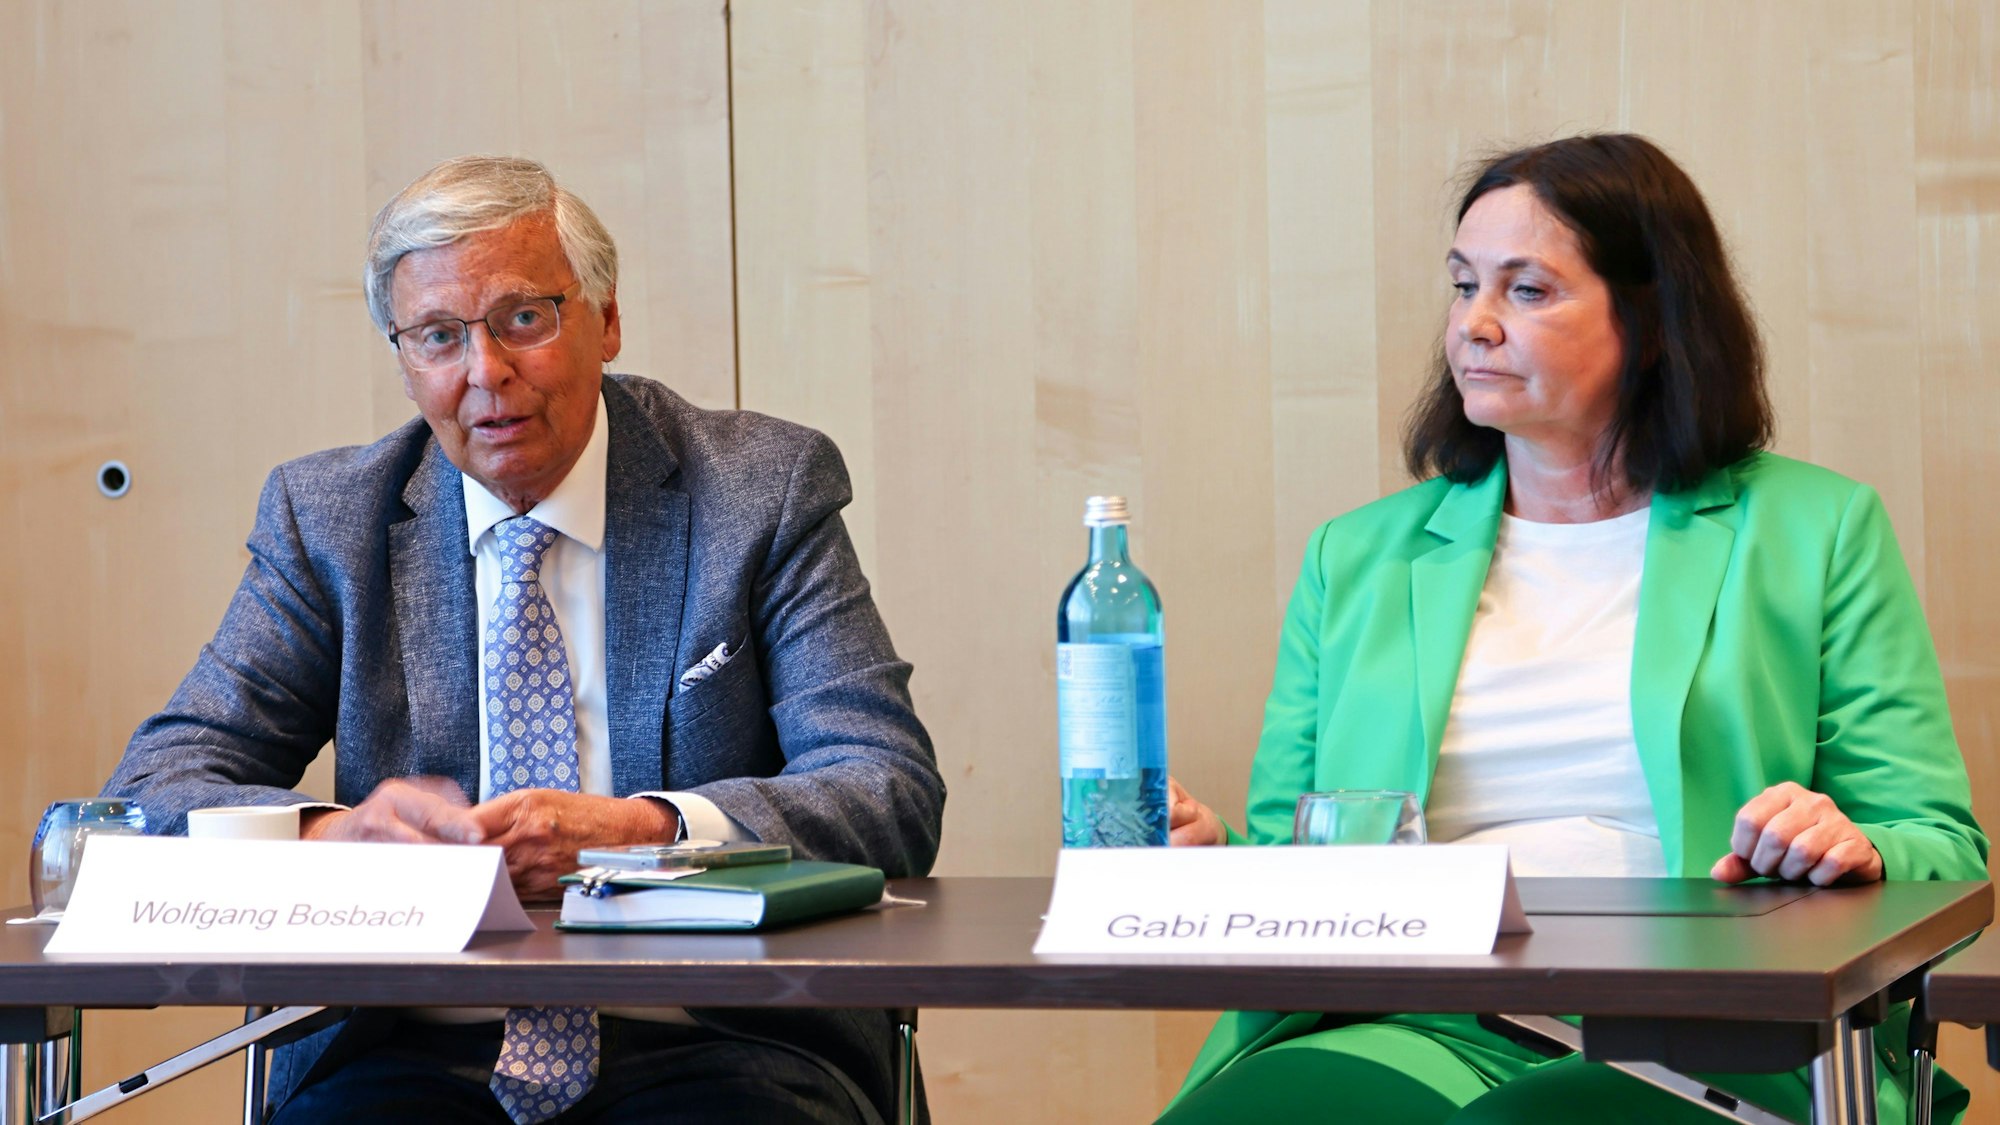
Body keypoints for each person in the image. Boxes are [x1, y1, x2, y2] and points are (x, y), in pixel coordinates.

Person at [1159, 134, 1985, 1124]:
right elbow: (1298, 872)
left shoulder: (1816, 529)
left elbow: (1944, 854)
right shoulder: (1358, 557)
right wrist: (1211, 859)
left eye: (1526, 290)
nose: (1474, 324)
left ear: (1652, 320)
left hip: (1710, 1026)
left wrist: (1851, 847)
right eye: (1463, 285)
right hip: (1417, 1021)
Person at [102, 155, 945, 1125]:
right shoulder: (330, 521)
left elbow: (886, 788)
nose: (485, 372)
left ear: (606, 320)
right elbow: (151, 794)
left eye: (523, 319)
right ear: (404, 358)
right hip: (406, 1049)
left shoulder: (759, 490)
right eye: (438, 336)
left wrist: (648, 833)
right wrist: (335, 839)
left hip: (718, 1038)